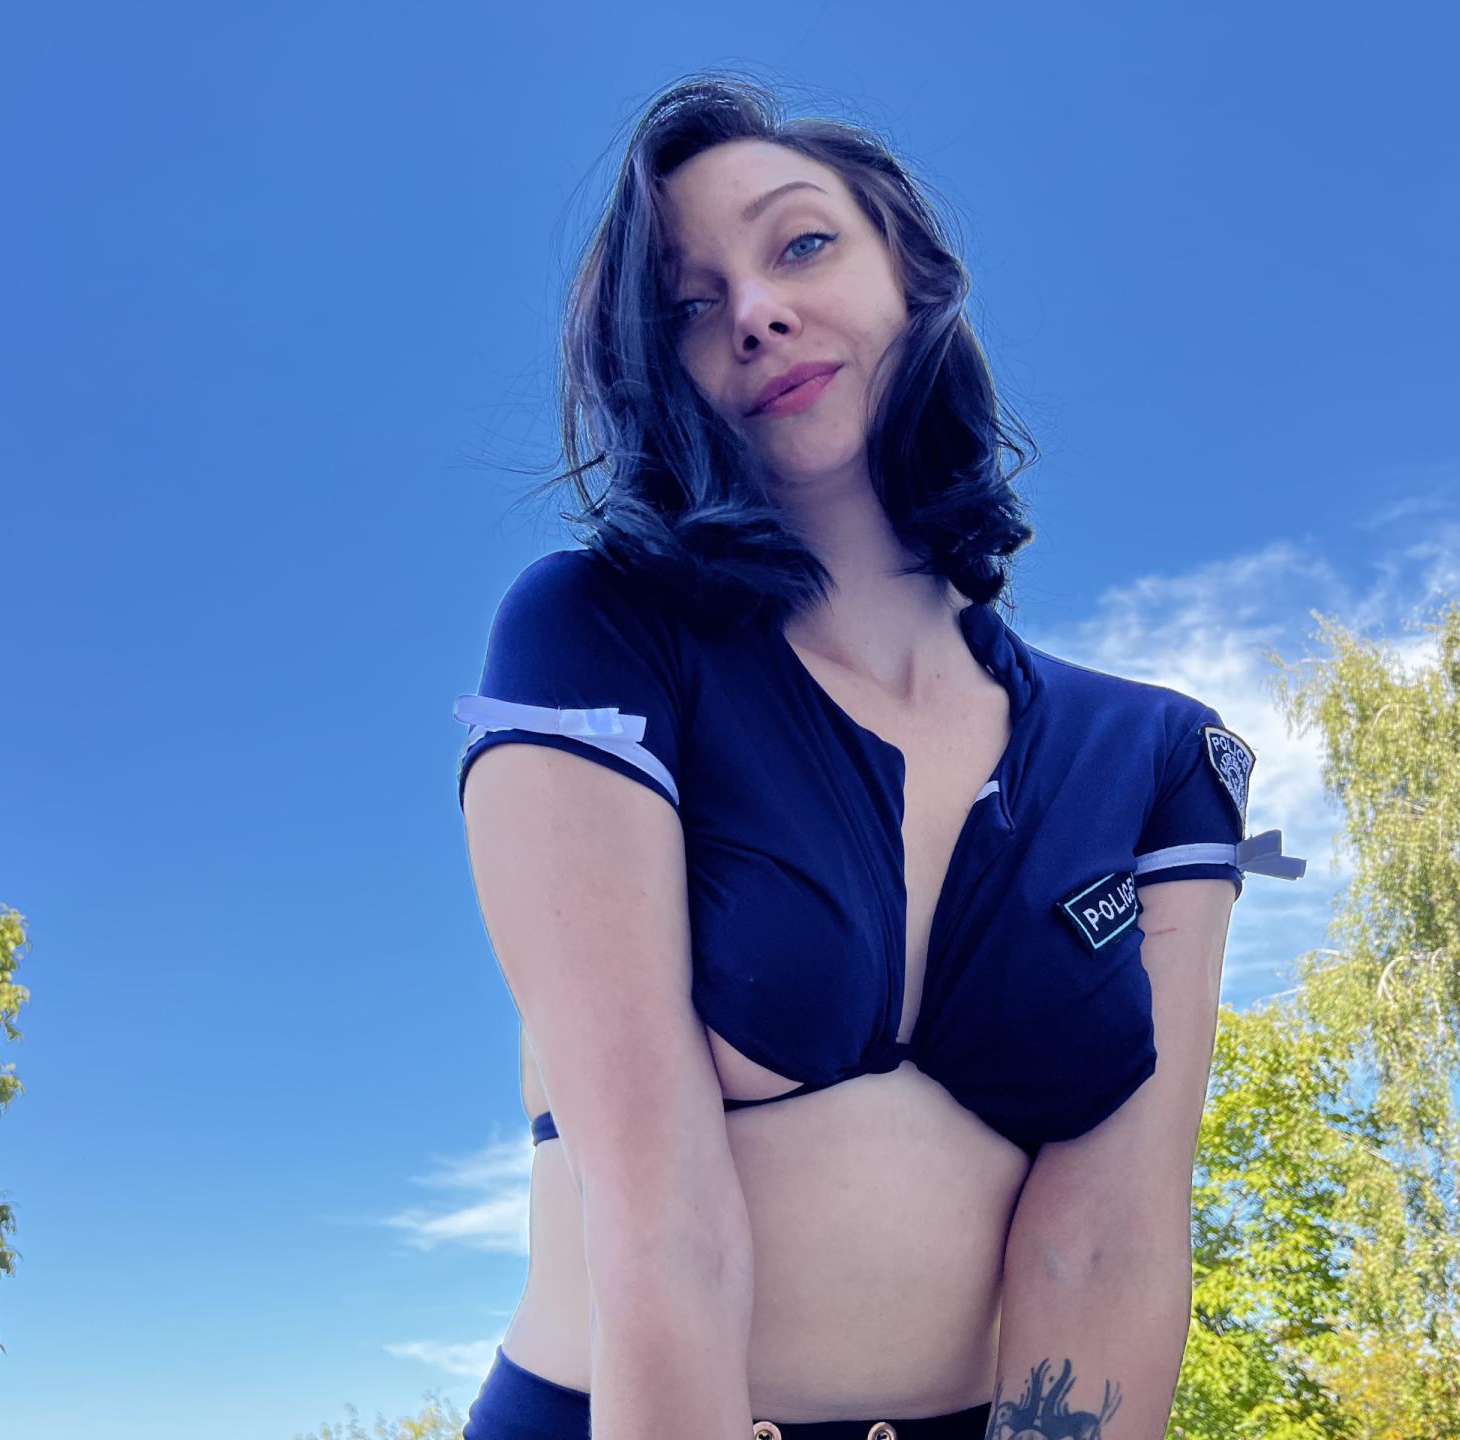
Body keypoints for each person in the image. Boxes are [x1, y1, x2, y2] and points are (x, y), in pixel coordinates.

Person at [452, 71, 1305, 1440]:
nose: (754, 311)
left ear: (912, 272)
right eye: (689, 304)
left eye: (801, 244)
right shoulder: (595, 637)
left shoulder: (1156, 755)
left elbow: (1109, 1247)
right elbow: (666, 1233)